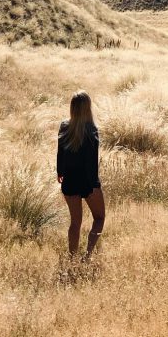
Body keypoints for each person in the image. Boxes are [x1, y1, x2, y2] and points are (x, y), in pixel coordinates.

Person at [57, 91, 105, 259]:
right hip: (87, 182)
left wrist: (59, 172)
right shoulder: (92, 130)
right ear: (88, 108)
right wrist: (93, 186)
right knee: (99, 218)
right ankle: (87, 255)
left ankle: (72, 258)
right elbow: (92, 162)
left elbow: (60, 153)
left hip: (69, 180)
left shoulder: (64, 126)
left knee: (75, 223)